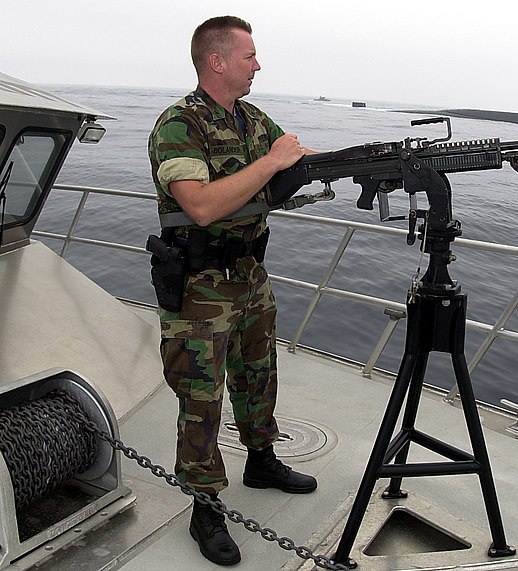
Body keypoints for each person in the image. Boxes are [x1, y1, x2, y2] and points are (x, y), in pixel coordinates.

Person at [147, 15, 317, 566]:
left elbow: (289, 173)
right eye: (249, 57)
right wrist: (271, 162)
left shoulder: (251, 119)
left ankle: (261, 458)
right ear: (215, 61)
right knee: (201, 396)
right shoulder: (179, 125)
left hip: (249, 275)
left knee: (257, 373)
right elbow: (199, 205)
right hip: (200, 287)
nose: (258, 65)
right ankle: (204, 504)